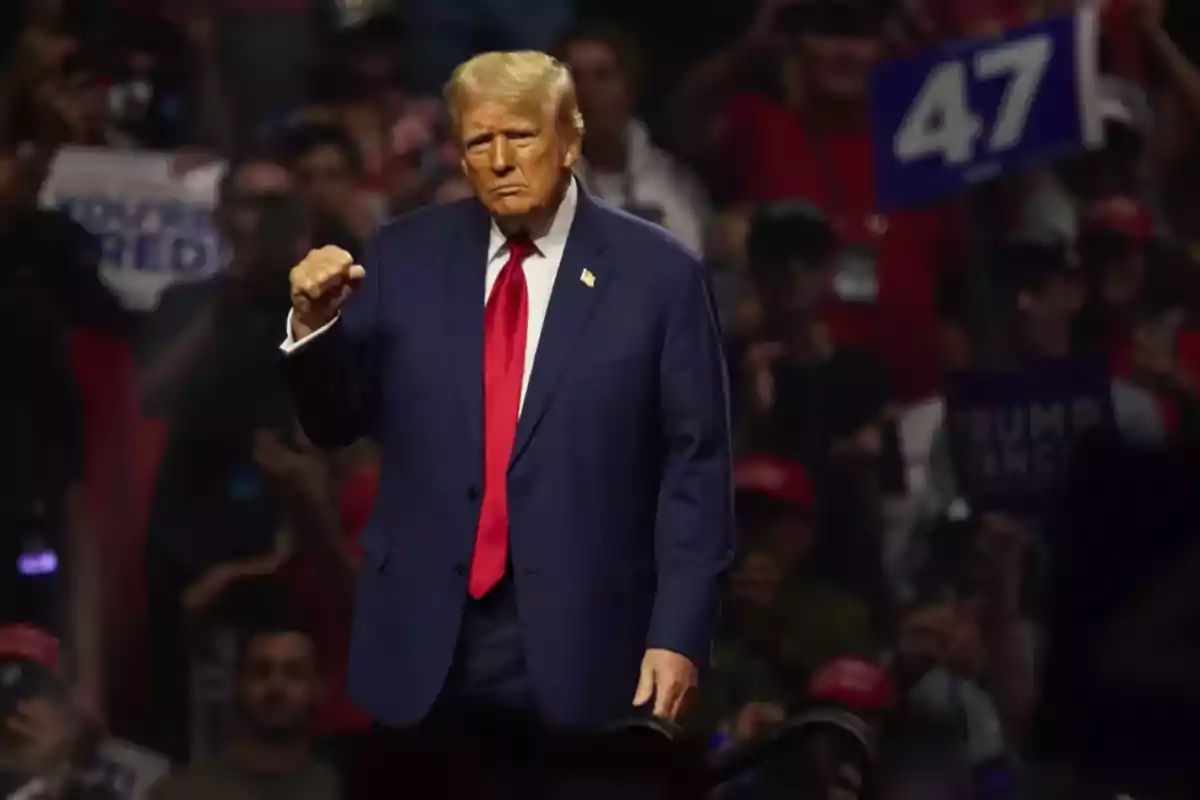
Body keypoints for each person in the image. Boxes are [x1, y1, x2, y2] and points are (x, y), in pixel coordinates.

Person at [281, 48, 733, 747]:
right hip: (422, 645)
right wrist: (314, 333)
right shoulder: (402, 256)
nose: (498, 160)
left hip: (591, 642)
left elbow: (695, 474)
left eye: (519, 137)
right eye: (477, 142)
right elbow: (336, 422)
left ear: (571, 137)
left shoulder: (659, 276)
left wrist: (678, 634)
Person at [148, 622, 339, 800]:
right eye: (261, 670)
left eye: (294, 672)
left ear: (318, 688)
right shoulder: (181, 794)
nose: (276, 685)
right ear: (237, 684)